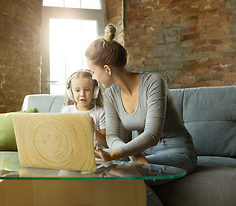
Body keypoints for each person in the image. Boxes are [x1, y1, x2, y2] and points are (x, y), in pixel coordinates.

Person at [85, 24, 197, 205]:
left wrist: (115, 154)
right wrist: (133, 154)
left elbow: (152, 134)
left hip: (177, 149)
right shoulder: (111, 94)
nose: (94, 78)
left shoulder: (153, 82)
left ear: (107, 69)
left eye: (93, 72)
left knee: (125, 175)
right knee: (93, 168)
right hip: (141, 149)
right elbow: (113, 136)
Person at [62, 69, 107, 148]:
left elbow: (106, 144)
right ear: (71, 93)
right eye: (77, 90)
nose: (82, 94)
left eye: (87, 89)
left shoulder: (101, 112)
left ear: (95, 92)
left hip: (94, 155)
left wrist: (93, 130)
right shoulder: (67, 111)